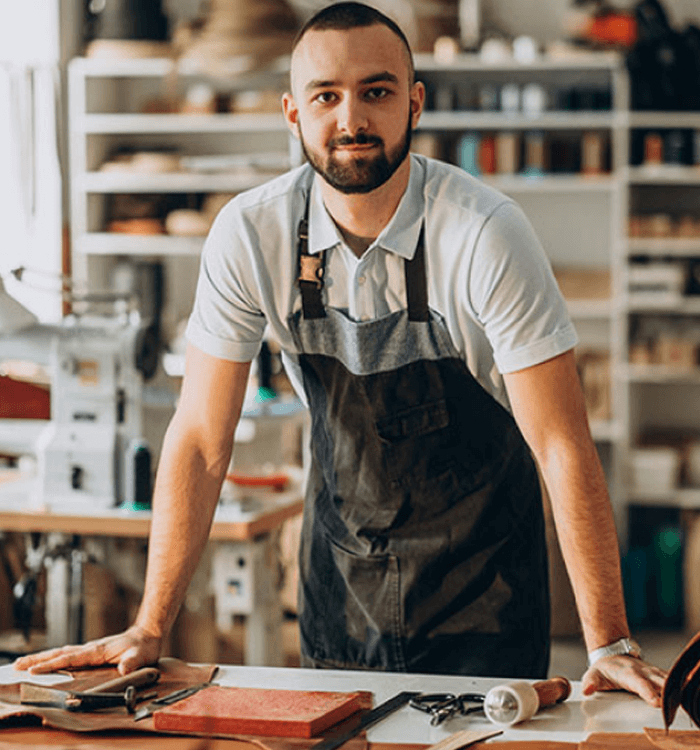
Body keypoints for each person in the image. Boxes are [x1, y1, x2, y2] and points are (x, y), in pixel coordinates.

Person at [16, 1, 665, 704]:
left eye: (376, 92)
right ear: (294, 113)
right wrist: (150, 624)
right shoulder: (250, 235)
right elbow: (202, 438)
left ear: (414, 104)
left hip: (485, 596)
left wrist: (611, 641)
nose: (351, 119)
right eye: (327, 96)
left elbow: (563, 443)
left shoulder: (484, 235)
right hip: (341, 592)